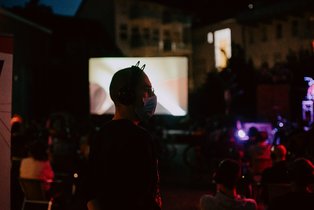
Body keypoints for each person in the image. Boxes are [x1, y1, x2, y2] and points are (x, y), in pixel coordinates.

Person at [85, 62, 162, 210]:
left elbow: (91, 190)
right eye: (147, 89)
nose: (153, 96)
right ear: (126, 95)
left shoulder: (101, 135)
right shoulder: (141, 138)